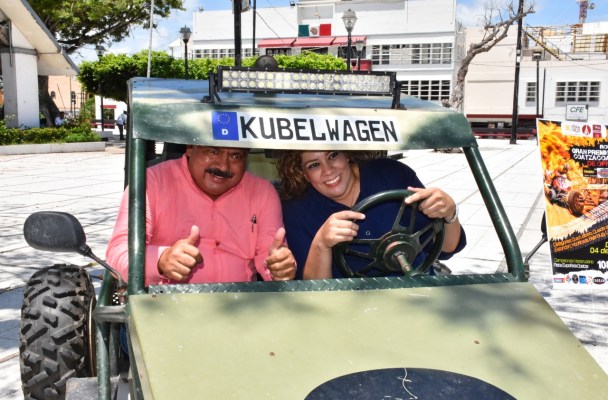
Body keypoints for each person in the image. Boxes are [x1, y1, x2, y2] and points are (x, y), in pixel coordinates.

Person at [106, 145, 296, 286]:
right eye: (213, 151)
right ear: (190, 147)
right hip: (164, 308)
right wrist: (161, 260)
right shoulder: (151, 182)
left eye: (235, 156)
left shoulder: (262, 192)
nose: (223, 166)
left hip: (241, 309)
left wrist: (279, 268)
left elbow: (269, 254)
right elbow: (119, 253)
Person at [276, 150, 466, 279]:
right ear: (302, 173)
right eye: (313, 165)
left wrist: (449, 212)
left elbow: (446, 249)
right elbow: (315, 293)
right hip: (348, 306)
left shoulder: (391, 174)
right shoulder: (297, 209)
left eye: (333, 155)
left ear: (347, 153)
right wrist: (321, 243)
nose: (328, 170)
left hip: (416, 287)